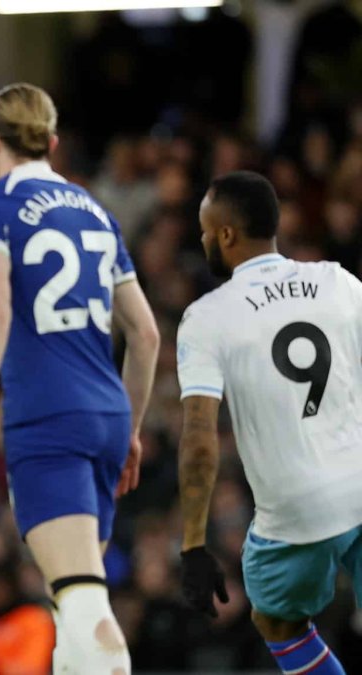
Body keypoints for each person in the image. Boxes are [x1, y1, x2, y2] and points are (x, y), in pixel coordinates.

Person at [0, 83, 159, 673]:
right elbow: (144, 336)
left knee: (81, 599)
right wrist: (133, 428)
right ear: (53, 141)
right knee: (68, 607)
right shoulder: (97, 212)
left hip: (49, 419)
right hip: (109, 417)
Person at [176, 171, 362, 675]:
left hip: (295, 510)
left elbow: (198, 441)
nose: (202, 239)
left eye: (205, 230)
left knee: (276, 621)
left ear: (227, 235)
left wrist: (193, 543)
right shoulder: (338, 282)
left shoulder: (206, 317)